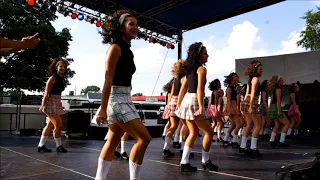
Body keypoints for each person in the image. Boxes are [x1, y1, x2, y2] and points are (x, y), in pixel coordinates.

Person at [94, 9, 151, 180]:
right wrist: (103, 109)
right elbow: (107, 79)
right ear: (121, 28)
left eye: (136, 24)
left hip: (125, 97)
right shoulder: (115, 48)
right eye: (131, 24)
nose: (135, 27)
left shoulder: (128, 50)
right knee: (144, 138)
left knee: (112, 141)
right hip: (117, 99)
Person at [175, 42, 218, 172]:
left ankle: (184, 162)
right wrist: (200, 107)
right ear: (199, 55)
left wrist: (179, 104)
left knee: (193, 132)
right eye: (205, 53)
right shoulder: (201, 69)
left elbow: (183, 88)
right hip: (194, 101)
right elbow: (199, 90)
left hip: (187, 101)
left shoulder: (189, 69)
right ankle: (205, 161)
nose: (208, 55)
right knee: (209, 132)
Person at [38, 58, 68, 153]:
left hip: (57, 101)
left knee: (50, 125)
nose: (63, 68)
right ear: (56, 68)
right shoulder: (53, 78)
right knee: (58, 125)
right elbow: (46, 93)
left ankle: (41, 145)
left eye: (64, 67)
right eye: (60, 66)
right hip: (50, 102)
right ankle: (59, 146)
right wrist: (43, 105)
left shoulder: (61, 78)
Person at [161, 59, 186, 157]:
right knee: (185, 125)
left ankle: (166, 148)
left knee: (173, 126)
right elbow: (183, 91)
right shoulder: (184, 78)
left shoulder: (175, 79)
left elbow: (171, 93)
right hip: (181, 101)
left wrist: (168, 104)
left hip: (172, 102)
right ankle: (183, 148)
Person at [239, 60, 263, 156]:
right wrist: (251, 105)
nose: (261, 71)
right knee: (258, 125)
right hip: (251, 102)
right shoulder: (255, 79)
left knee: (249, 125)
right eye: (260, 69)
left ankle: (243, 146)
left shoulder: (250, 79)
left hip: (247, 101)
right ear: (255, 70)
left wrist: (244, 104)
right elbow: (252, 93)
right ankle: (253, 148)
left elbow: (247, 93)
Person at [268, 75, 290, 147]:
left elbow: (271, 100)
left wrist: (270, 108)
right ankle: (281, 141)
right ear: (279, 81)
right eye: (282, 79)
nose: (283, 81)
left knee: (277, 124)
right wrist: (279, 110)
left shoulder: (274, 89)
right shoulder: (278, 89)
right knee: (287, 124)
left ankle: (272, 140)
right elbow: (278, 100)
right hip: (276, 107)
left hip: (273, 107)